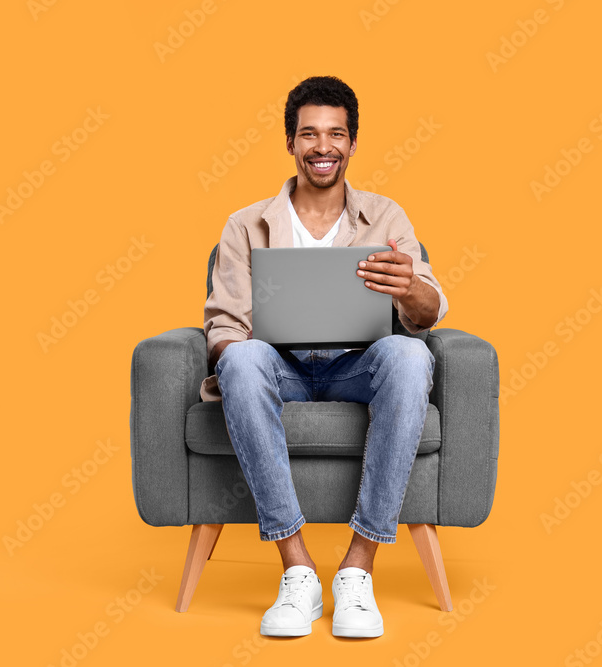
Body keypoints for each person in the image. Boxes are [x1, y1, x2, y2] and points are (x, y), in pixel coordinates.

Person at [200, 76, 449, 638]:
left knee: (410, 358)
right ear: (291, 142)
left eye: (336, 134)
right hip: (280, 370)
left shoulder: (387, 219)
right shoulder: (245, 225)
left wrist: (410, 287)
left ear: (353, 143)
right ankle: (299, 571)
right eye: (309, 134)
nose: (322, 146)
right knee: (239, 361)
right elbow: (223, 324)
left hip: (355, 367)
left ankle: (357, 570)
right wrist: (242, 357)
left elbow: (429, 312)